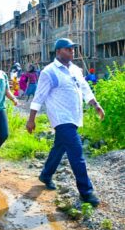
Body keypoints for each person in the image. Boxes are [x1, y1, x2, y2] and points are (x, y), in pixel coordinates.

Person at [26, 38, 105, 207]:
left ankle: (46, 175)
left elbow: (84, 88)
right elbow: (39, 97)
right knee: (77, 153)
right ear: (58, 51)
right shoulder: (49, 72)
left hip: (74, 116)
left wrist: (96, 104)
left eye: (73, 49)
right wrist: (31, 119)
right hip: (61, 118)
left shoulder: (76, 69)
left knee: (59, 147)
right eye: (68, 49)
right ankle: (86, 191)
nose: (72, 51)